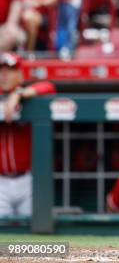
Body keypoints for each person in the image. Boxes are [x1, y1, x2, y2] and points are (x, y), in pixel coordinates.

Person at [0, 53, 56, 217]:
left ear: (20, 75)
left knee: (35, 230)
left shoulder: (30, 97)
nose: (4, 75)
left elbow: (49, 87)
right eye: (1, 70)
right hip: (1, 181)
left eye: (9, 70)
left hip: (27, 179)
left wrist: (19, 94)